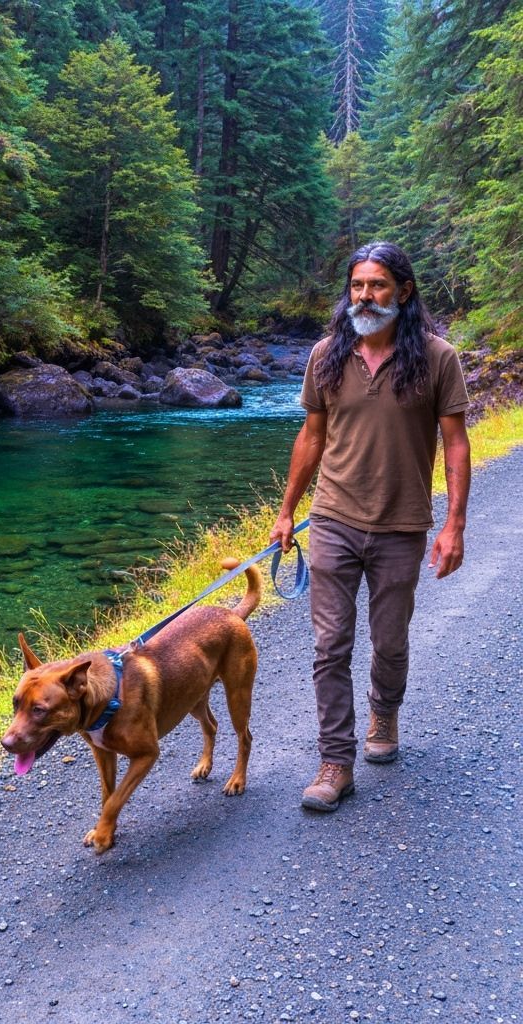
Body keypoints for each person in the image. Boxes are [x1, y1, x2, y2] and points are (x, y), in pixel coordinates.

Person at [270, 241, 471, 812]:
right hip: (332, 518)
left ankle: (385, 710)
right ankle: (336, 761)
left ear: (403, 292)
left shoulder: (437, 358)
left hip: (401, 525)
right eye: (357, 285)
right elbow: (310, 438)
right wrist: (287, 511)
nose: (365, 295)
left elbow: (456, 446)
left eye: (378, 285)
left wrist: (454, 525)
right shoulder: (327, 354)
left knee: (389, 641)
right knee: (330, 645)